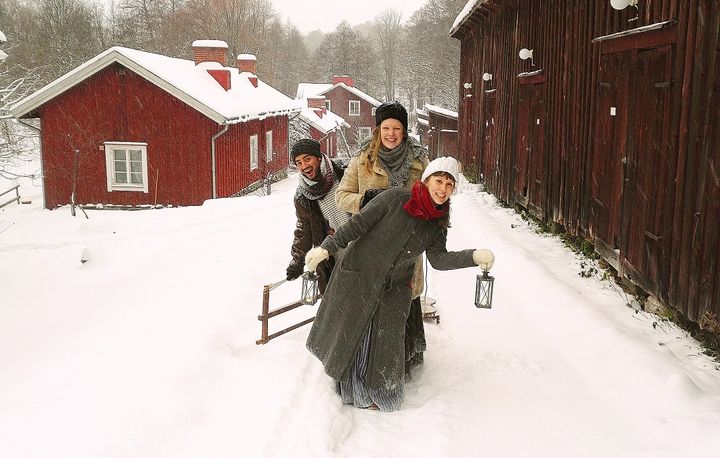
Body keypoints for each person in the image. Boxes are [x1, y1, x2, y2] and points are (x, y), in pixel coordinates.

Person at [304, 156, 496, 411]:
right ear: (427, 180)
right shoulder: (395, 198)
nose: (443, 189)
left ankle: (380, 394)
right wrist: (326, 249)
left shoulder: (437, 224)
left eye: (450, 185)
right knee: (355, 336)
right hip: (362, 274)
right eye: (439, 181)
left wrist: (473, 257)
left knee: (384, 345)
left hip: (395, 288)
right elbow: (357, 225)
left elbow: (438, 260)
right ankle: (353, 391)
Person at [335, 100, 430, 371]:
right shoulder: (362, 159)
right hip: (370, 243)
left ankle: (404, 358)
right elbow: (342, 196)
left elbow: (436, 195)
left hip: (407, 242)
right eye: (386, 127)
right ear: (378, 130)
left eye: (396, 128)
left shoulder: (420, 161)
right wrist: (367, 200)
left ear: (404, 130)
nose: (391, 134)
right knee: (373, 297)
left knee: (403, 295)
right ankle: (369, 363)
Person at [285, 138, 350, 293]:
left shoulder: (344, 172)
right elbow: (303, 229)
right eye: (299, 162)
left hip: (361, 242)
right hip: (333, 254)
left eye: (307, 159)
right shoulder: (302, 196)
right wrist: (297, 261)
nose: (304, 166)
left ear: (319, 157)